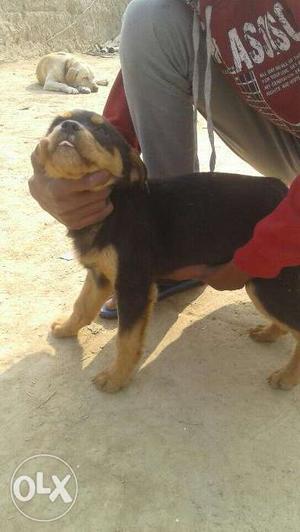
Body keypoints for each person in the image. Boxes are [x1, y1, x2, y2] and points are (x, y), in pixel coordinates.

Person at [29, 0, 300, 317]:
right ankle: (170, 254)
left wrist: (259, 255)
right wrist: (100, 164)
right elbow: (150, 54)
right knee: (150, 16)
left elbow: (262, 255)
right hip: (283, 136)